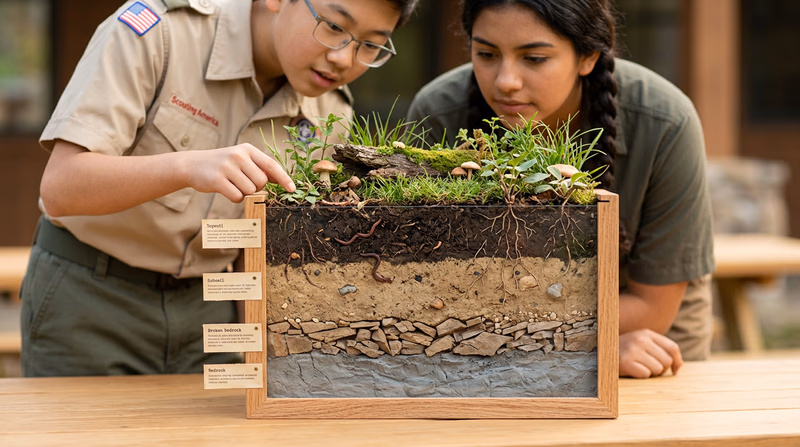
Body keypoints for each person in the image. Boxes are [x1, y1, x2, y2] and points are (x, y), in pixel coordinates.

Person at [21, 0, 418, 377]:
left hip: (215, 308)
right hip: (91, 297)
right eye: (333, 27)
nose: (343, 59)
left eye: (371, 45)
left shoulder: (332, 112)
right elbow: (61, 187)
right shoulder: (160, 32)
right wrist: (184, 166)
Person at [407, 0, 714, 378]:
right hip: (480, 352)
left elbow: (652, 306)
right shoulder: (439, 113)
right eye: (486, 53)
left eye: (534, 58)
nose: (505, 81)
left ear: (587, 56)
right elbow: (426, 293)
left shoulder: (665, 123)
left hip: (638, 344)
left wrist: (590, 347)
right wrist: (565, 345)